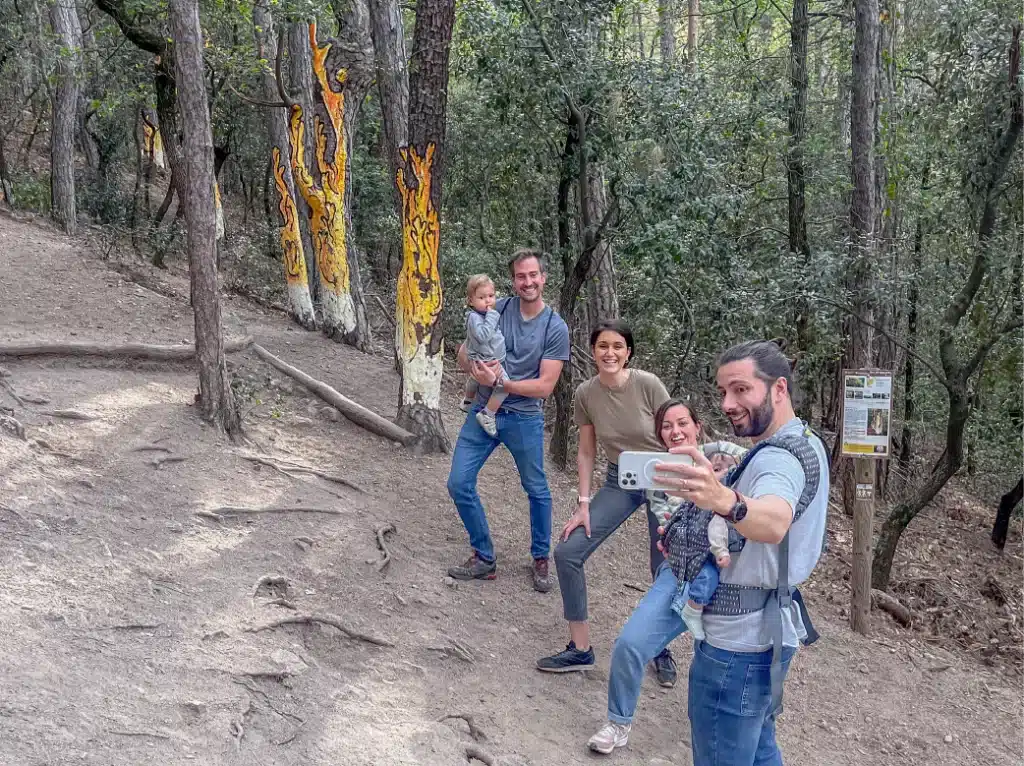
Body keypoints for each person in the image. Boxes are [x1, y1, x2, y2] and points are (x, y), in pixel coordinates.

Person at [587, 341, 828, 764]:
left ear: (779, 389)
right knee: (760, 752)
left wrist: (725, 500)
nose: (728, 403)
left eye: (740, 389)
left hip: (739, 647)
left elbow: (772, 520)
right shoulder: (802, 442)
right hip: (767, 634)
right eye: (723, 392)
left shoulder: (780, 461)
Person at [535, 324, 681, 684]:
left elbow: (677, 432)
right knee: (568, 552)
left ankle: (658, 647)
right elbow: (586, 451)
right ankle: (580, 648)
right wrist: (583, 504)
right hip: (621, 479)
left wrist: (687, 481)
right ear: (594, 350)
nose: (610, 352)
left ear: (628, 352)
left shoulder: (647, 384)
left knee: (663, 563)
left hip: (663, 477)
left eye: (618, 346)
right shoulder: (586, 393)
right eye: (603, 346)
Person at [447, 249, 570, 593]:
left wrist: (501, 383)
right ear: (513, 280)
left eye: (533, 275)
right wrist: (473, 366)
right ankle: (484, 556)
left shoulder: (555, 328)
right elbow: (463, 352)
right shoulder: (496, 308)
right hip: (483, 411)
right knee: (458, 483)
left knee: (537, 489)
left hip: (523, 417)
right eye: (520, 276)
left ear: (544, 278)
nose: (527, 282)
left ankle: (541, 557)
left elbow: (545, 385)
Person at [460, 274, 507, 437]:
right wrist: (493, 316)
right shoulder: (475, 317)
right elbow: (483, 336)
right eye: (481, 297)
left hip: (484, 358)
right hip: (487, 361)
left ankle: (467, 401)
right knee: (504, 386)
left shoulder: (481, 316)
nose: (488, 301)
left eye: (491, 296)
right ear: (471, 301)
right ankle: (488, 414)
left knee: (474, 378)